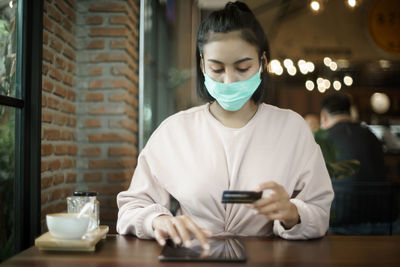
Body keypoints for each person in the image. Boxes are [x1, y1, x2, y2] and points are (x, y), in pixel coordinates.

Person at [117, 2, 334, 250]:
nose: (229, 80)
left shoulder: (292, 129)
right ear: (202, 65)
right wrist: (158, 220)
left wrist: (293, 214)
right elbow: (131, 208)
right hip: (193, 257)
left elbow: (319, 212)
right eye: (217, 68)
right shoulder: (174, 131)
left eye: (243, 68)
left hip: (265, 259)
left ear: (262, 62)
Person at [320, 93, 385, 181]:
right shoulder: (371, 135)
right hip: (379, 194)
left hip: (338, 194)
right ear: (350, 112)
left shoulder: (324, 139)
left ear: (324, 117)